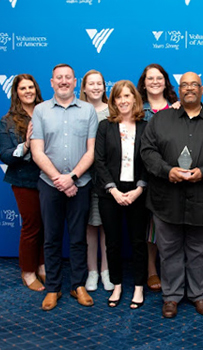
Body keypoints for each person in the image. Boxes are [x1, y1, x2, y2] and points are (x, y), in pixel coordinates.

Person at [141, 72, 203, 318]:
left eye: (194, 85)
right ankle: (171, 296)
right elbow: (147, 151)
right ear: (179, 90)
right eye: (184, 85)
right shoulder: (161, 120)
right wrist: (167, 170)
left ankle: (198, 294)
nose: (189, 89)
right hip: (166, 199)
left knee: (202, 250)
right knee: (169, 249)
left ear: (202, 89)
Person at [31, 64, 98, 311]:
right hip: (49, 184)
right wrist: (60, 179)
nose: (63, 81)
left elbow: (91, 151)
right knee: (51, 238)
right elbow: (37, 151)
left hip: (80, 183)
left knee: (79, 238)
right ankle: (53, 288)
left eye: (67, 77)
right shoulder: (40, 111)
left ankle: (77, 284)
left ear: (74, 81)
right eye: (59, 78)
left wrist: (72, 177)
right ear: (51, 82)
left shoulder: (88, 110)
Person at [95, 80, 148, 309]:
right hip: (111, 194)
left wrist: (139, 189)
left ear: (135, 99)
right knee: (113, 243)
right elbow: (99, 160)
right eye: (119, 97)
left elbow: (149, 160)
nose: (124, 100)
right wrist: (113, 190)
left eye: (128, 96)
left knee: (138, 242)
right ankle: (117, 284)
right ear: (113, 101)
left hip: (138, 193)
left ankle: (138, 287)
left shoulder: (146, 127)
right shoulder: (105, 127)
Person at [0, 74, 45, 292]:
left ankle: (43, 264)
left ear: (36, 89)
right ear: (16, 92)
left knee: (48, 224)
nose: (28, 91)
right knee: (31, 226)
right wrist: (26, 145)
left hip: (48, 178)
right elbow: (5, 155)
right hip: (23, 180)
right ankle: (28, 271)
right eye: (23, 88)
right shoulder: (7, 121)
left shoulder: (47, 112)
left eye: (31, 87)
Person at [137, 63, 178, 292]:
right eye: (150, 78)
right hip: (143, 175)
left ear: (165, 81)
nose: (154, 82)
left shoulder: (176, 109)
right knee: (149, 226)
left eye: (159, 78)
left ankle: (171, 270)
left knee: (167, 225)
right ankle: (152, 270)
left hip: (169, 176)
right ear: (143, 83)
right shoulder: (136, 109)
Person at [79, 70, 114, 292]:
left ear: (104, 86)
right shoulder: (78, 110)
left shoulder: (112, 111)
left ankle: (106, 271)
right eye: (91, 84)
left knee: (107, 226)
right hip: (84, 177)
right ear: (83, 87)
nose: (95, 87)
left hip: (108, 178)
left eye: (99, 83)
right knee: (90, 226)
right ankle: (92, 271)